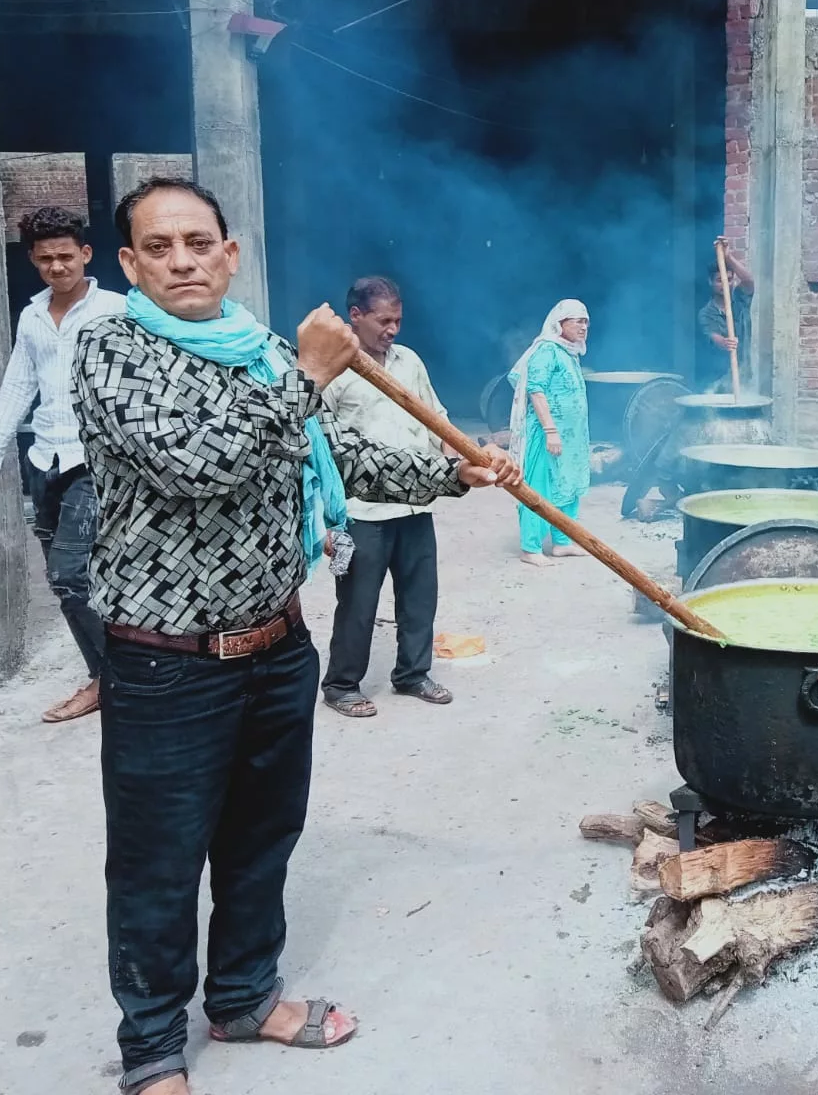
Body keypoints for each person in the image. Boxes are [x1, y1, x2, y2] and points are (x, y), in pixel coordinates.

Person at [73, 177, 518, 1095]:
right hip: (167, 661)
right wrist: (308, 373)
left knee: (261, 837)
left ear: (231, 255)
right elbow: (201, 463)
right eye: (159, 247)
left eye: (200, 242)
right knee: (159, 859)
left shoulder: (261, 352)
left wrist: (452, 470)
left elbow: (331, 451)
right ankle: (154, 1049)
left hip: (275, 648)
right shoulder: (109, 352)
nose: (184, 260)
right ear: (129, 263)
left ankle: (241, 997)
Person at [0, 206, 125, 723]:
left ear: (86, 255)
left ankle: (112, 681)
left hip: (95, 461)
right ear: (32, 259)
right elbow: (17, 390)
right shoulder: (32, 316)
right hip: (44, 460)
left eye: (66, 256)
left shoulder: (117, 310)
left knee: (70, 575)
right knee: (72, 580)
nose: (57, 267)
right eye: (46, 258)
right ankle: (111, 674)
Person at [319, 276, 455, 718]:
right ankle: (341, 684)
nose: (392, 328)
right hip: (362, 511)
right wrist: (325, 520)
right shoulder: (334, 367)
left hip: (415, 502)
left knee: (420, 596)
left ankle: (412, 674)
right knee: (359, 603)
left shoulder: (409, 360)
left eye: (397, 319)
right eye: (383, 320)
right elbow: (318, 446)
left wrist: (457, 459)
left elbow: (435, 415)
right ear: (355, 316)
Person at [512, 300, 592, 566]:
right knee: (539, 485)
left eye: (586, 321)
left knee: (568, 485)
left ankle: (562, 542)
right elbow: (536, 390)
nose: (584, 326)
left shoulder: (569, 352)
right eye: (577, 321)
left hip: (571, 436)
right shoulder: (547, 350)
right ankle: (530, 547)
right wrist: (550, 431)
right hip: (547, 434)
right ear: (560, 324)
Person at [696, 237, 755, 392]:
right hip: (715, 379)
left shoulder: (740, 299)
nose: (725, 284)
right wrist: (725, 342)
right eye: (719, 280)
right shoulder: (706, 313)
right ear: (710, 282)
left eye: (729, 280)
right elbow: (714, 337)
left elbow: (749, 281)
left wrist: (728, 257)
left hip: (743, 374)